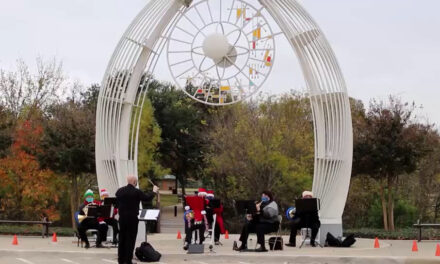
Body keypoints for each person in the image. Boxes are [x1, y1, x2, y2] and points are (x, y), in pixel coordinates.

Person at [116, 176, 159, 264]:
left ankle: (121, 259)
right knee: (130, 239)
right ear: (135, 182)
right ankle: (128, 260)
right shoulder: (136, 192)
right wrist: (154, 191)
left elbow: (117, 202)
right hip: (132, 219)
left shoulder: (119, 191)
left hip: (122, 218)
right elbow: (147, 198)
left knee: (122, 239)